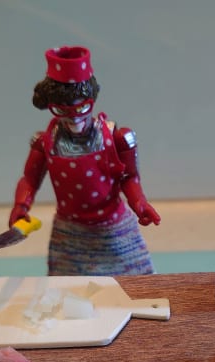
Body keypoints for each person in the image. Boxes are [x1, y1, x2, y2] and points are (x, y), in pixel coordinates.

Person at [9, 45, 160, 276]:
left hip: (113, 228)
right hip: (69, 233)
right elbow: (30, 179)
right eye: (62, 110)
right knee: (66, 290)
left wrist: (139, 204)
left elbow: (129, 177)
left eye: (81, 107)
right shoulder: (46, 142)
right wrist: (21, 205)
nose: (74, 118)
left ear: (92, 100)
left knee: (136, 284)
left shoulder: (116, 137)